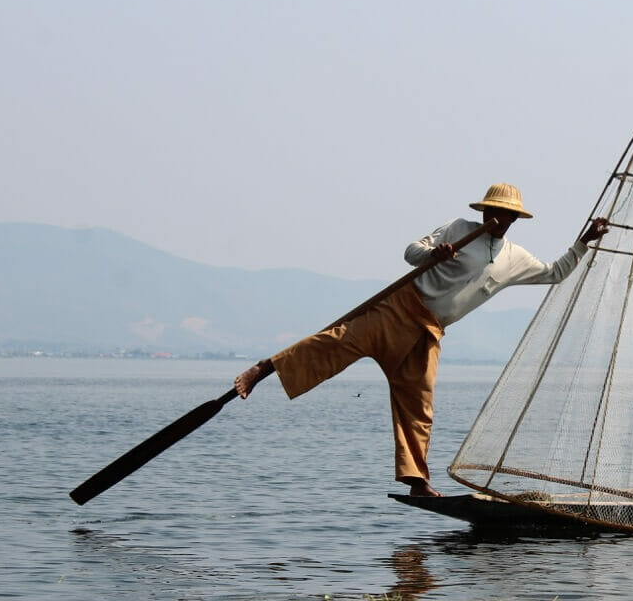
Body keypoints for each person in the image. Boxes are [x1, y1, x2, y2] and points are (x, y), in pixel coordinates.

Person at [233, 183, 609, 497]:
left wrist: (583, 243)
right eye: (492, 210)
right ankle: (265, 368)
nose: (496, 218)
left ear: (514, 219)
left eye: (505, 214)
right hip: (399, 309)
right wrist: (435, 253)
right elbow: (411, 251)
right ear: (483, 211)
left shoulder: (515, 257)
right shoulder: (459, 228)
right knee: (336, 343)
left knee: (419, 403)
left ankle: (416, 480)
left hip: (429, 330)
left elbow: (555, 272)